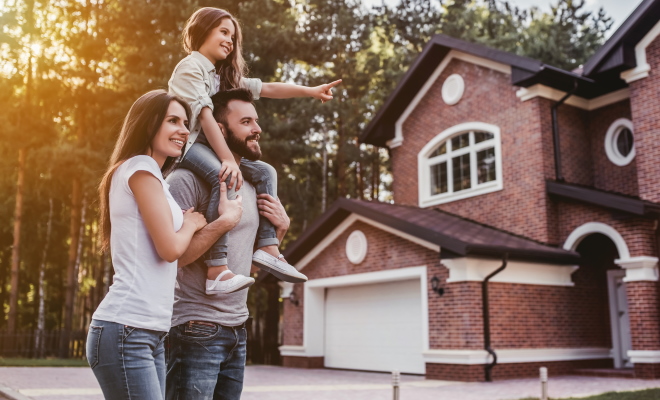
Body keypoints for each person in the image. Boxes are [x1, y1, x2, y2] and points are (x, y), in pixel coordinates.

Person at [169, 6, 340, 294]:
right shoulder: (191, 67)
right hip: (189, 146)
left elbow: (268, 88)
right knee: (223, 175)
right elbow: (207, 117)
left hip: (212, 146)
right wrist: (227, 159)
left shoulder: (219, 76)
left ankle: (268, 248)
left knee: (264, 171)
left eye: (233, 37)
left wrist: (310, 90)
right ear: (202, 31)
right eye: (223, 32)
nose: (230, 41)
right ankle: (217, 270)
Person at [87, 90, 213, 400]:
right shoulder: (141, 167)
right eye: (173, 121)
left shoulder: (153, 177)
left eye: (185, 123)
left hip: (149, 331)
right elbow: (170, 249)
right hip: (127, 328)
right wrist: (192, 224)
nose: (183, 130)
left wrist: (186, 229)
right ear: (148, 124)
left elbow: (171, 259)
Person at [166, 88, 289, 400]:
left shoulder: (251, 184)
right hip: (195, 328)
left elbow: (244, 265)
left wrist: (280, 232)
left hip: (237, 328)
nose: (256, 129)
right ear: (220, 129)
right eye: (246, 121)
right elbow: (170, 258)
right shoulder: (184, 181)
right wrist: (223, 223)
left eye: (256, 121)